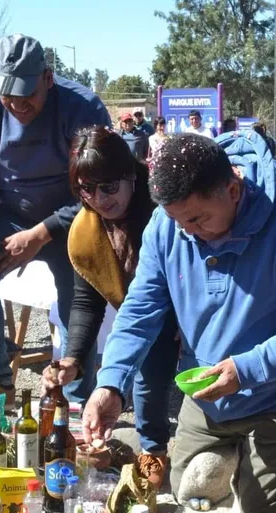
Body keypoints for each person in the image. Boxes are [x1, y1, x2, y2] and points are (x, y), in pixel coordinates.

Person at [79, 132, 276, 513]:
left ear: (232, 189)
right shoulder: (167, 225)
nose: (188, 232)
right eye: (178, 221)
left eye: (197, 219)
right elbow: (139, 310)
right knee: (186, 490)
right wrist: (111, 384)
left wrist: (247, 370)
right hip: (208, 390)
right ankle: (242, 460)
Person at [0, 33, 111, 404]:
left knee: (78, 298)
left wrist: (42, 233)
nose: (17, 105)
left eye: (26, 95)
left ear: (48, 78)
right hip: (15, 212)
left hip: (77, 216)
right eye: (7, 95)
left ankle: (75, 396)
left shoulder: (83, 109)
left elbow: (101, 188)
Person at [42, 126, 177, 488]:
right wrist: (72, 358)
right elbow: (87, 302)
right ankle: (153, 449)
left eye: (109, 187)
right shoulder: (87, 230)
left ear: (132, 175)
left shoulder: (167, 210)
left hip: (189, 310)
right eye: (86, 189)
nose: (99, 198)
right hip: (145, 315)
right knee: (146, 376)